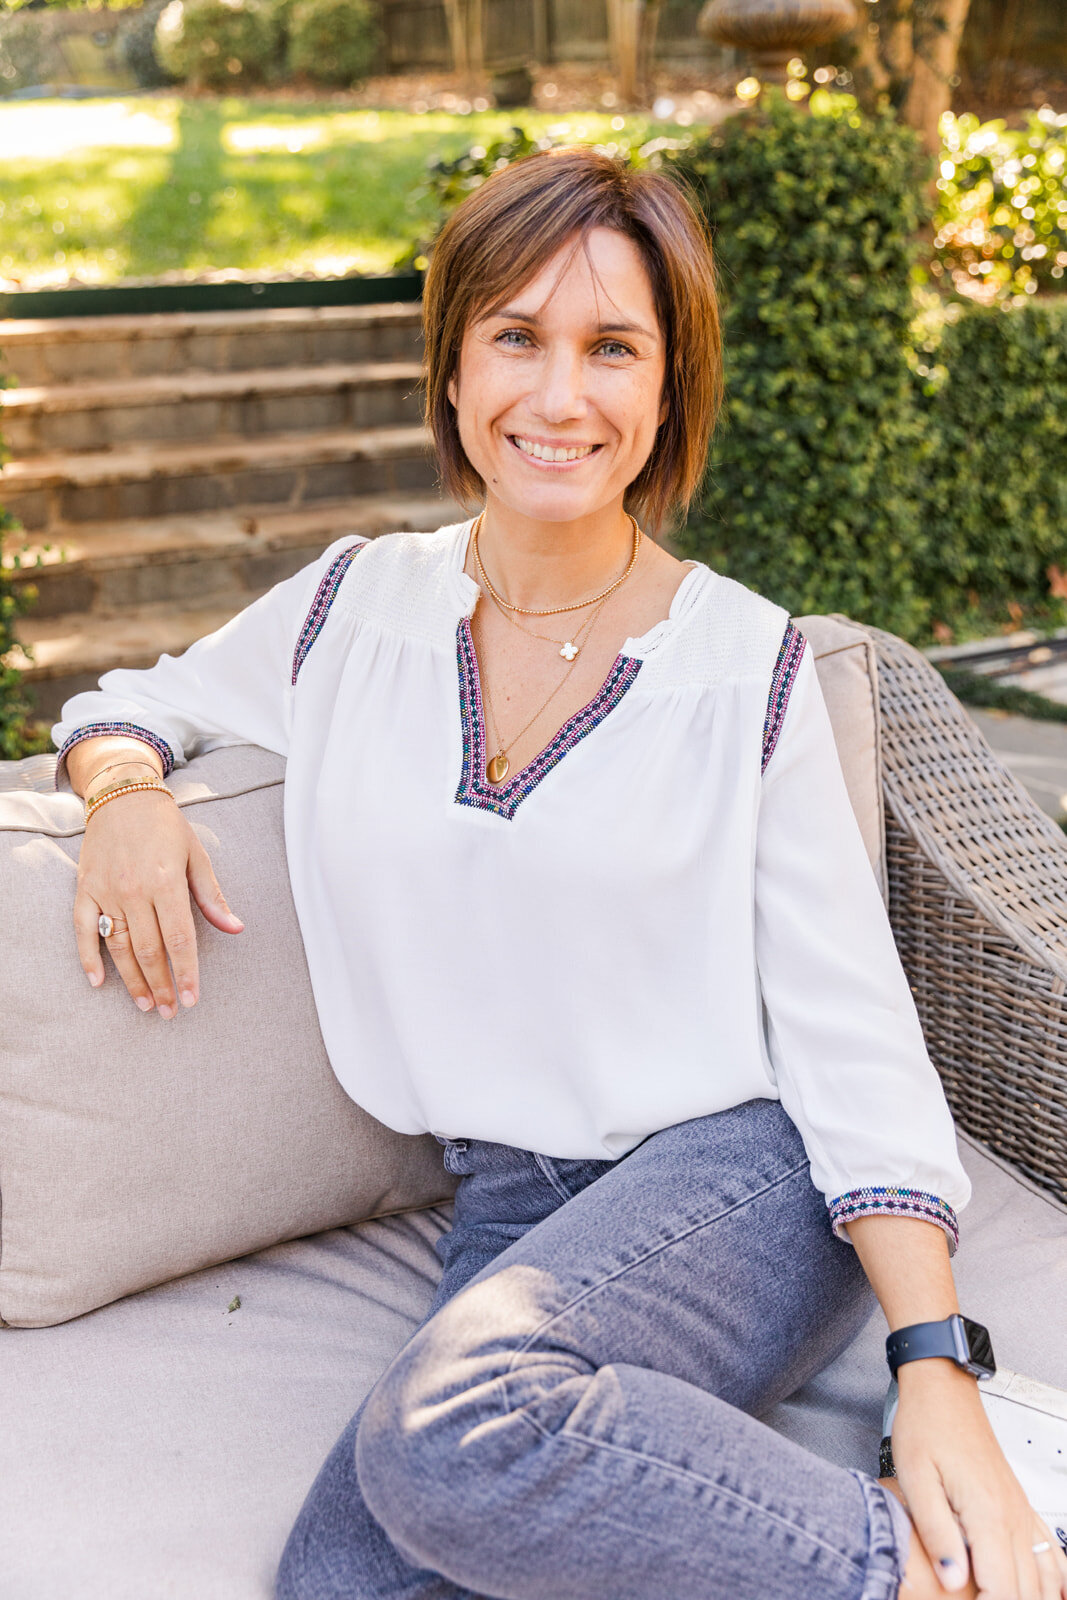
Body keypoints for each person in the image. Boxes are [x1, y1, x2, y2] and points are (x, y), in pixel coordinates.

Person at [53, 150, 1066, 1600]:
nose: (558, 395)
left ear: (666, 394)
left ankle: (925, 1578)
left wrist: (936, 1365)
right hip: (514, 1213)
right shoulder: (350, 607)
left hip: (747, 1173)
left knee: (450, 1430)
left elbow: (853, 1035)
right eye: (516, 338)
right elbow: (129, 700)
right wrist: (128, 791)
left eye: (612, 349)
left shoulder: (749, 672)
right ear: (454, 369)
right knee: (344, 1580)